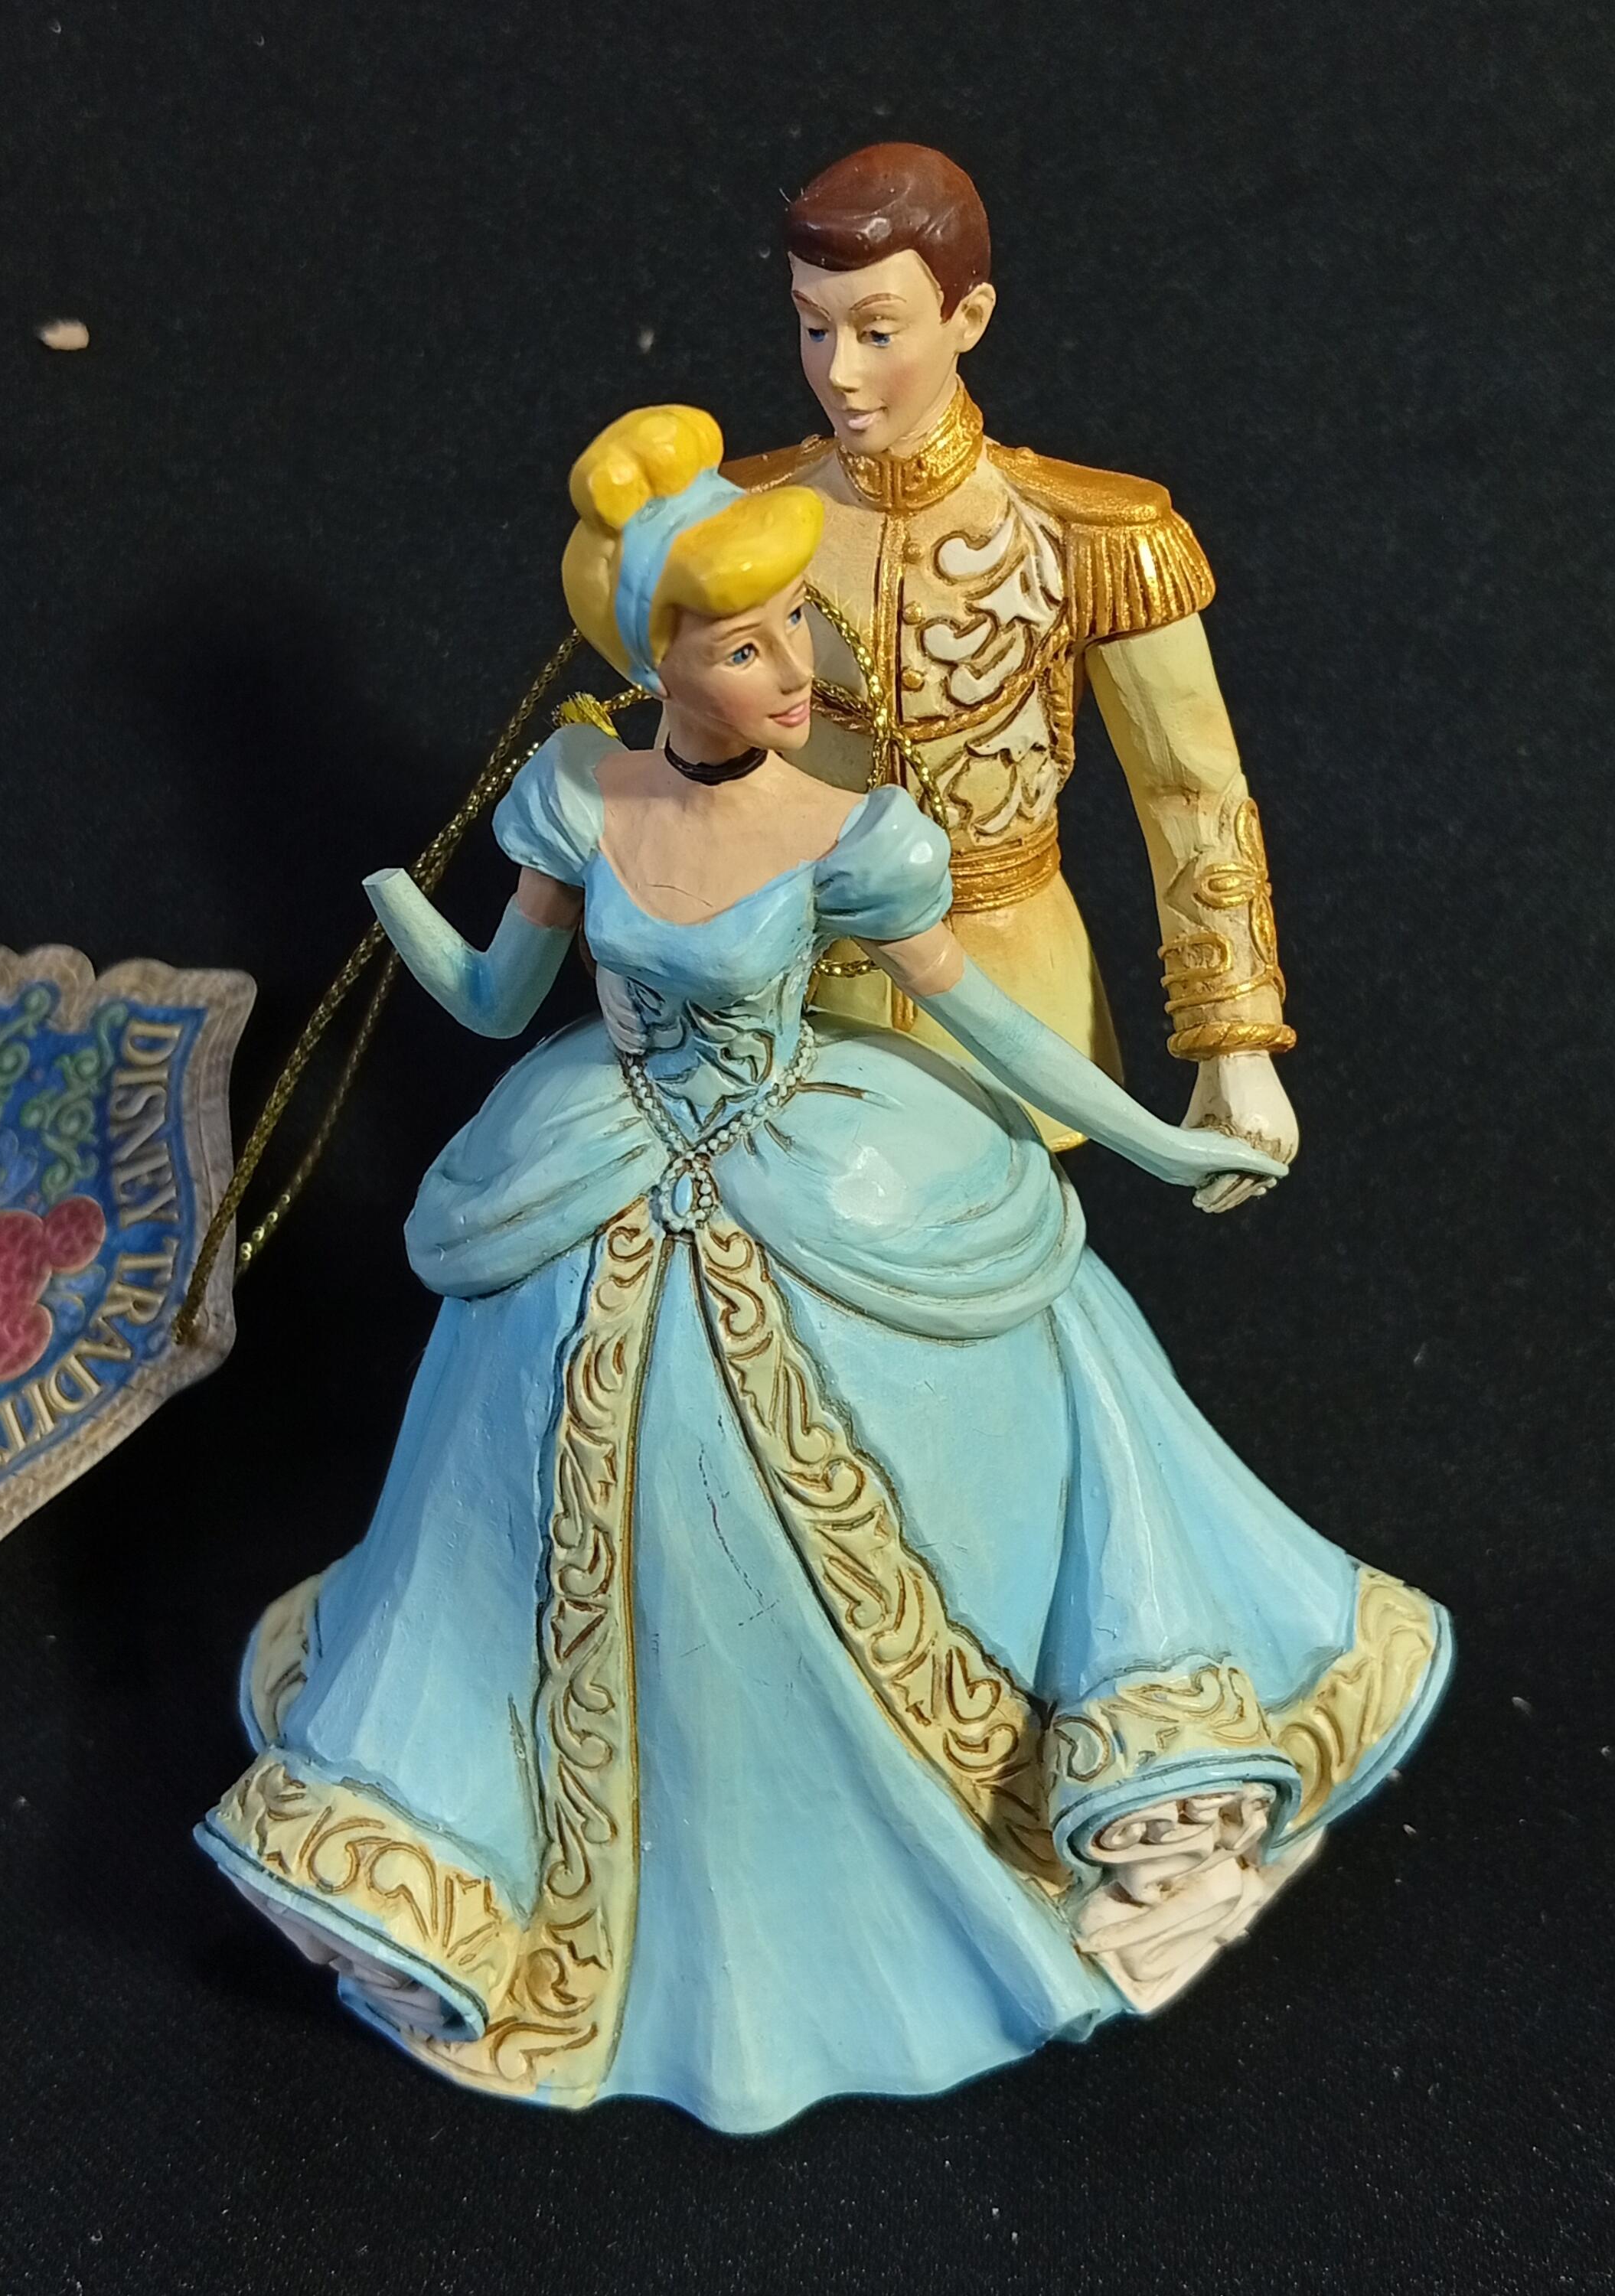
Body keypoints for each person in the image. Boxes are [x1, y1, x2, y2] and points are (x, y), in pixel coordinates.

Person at [197, 406, 1449, 2134]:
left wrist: (1162, 1138)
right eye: (740, 644)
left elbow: (988, 1023)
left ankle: (991, 1802)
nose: (792, 669)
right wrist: (404, 918)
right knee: (522, 1491)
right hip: (599, 1162)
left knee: (1007, 1388)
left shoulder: (852, 833)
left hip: (828, 1164)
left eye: (792, 624)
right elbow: (497, 1003)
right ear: (655, 661)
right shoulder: (577, 791)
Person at [729, 142, 1296, 1194]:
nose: (839, 371)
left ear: (970, 318)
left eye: (878, 331)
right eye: (814, 326)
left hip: (1008, 997)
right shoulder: (735, 522)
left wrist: (1235, 1043)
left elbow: (1190, 793)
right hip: (775, 997)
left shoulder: (1092, 536)